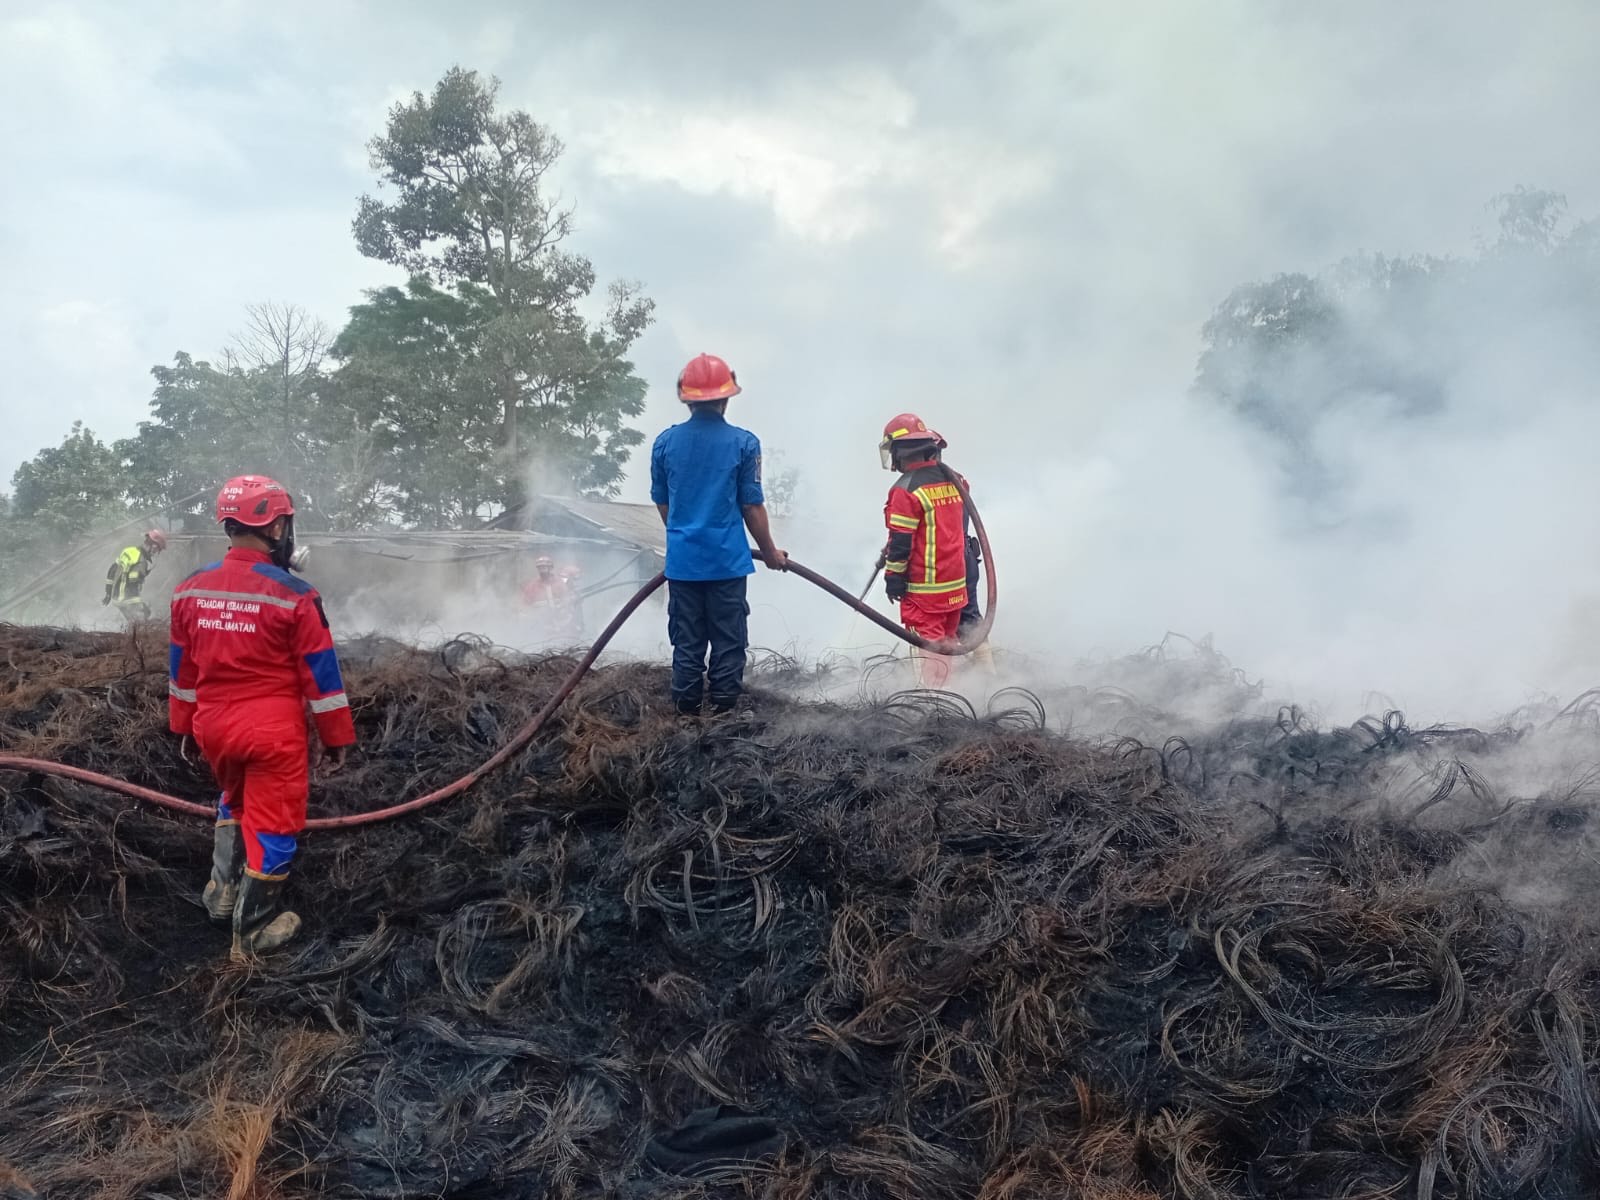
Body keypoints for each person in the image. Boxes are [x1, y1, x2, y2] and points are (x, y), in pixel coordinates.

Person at [168, 475, 355, 959]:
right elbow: (323, 677)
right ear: (273, 528)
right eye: (285, 524)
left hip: (214, 728)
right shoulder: (296, 595)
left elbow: (181, 669)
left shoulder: (189, 590)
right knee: (274, 822)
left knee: (233, 796)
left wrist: (183, 724)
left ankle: (221, 892)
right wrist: (337, 738)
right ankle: (251, 930)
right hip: (272, 734)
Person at [650, 352, 786, 715]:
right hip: (727, 563)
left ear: (686, 397)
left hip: (682, 566)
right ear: (727, 397)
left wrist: (684, 537)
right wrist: (770, 552)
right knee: (728, 641)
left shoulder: (664, 444)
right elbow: (751, 506)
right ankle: (725, 715)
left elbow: (664, 504)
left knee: (688, 642)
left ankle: (685, 716)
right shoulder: (744, 444)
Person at [878, 413, 969, 688]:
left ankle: (934, 705)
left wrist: (893, 576)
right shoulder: (957, 481)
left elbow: (902, 541)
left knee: (928, 647)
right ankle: (945, 693)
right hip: (955, 583)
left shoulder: (905, 490)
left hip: (925, 590)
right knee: (946, 643)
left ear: (898, 452)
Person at [102, 529, 167, 621]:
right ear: (154, 546)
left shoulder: (129, 551)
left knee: (132, 623)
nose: (155, 552)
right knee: (142, 620)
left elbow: (112, 570)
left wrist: (108, 593)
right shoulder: (142, 562)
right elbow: (132, 583)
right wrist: (140, 605)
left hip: (116, 598)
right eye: (157, 549)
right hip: (127, 600)